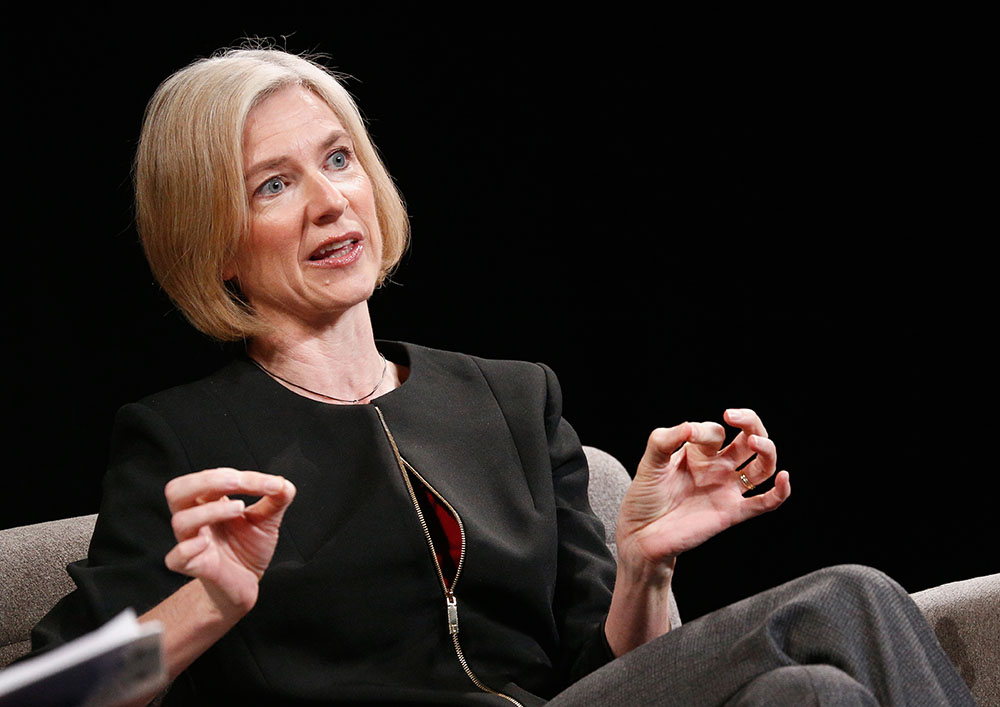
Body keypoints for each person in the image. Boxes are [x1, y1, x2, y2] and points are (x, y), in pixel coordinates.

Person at [28, 46, 973, 706]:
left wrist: (644, 567)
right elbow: (47, 692)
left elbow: (600, 678)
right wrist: (213, 601)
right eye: (273, 184)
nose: (329, 201)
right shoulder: (182, 441)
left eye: (339, 158)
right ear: (214, 242)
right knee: (845, 596)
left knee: (807, 692)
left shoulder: (512, 399)